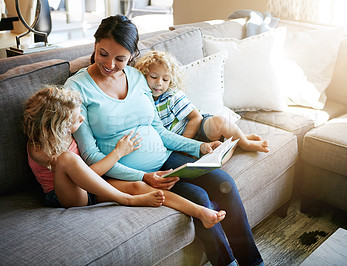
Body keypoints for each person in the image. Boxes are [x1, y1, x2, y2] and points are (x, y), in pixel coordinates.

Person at [64, 14, 264, 266]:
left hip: (165, 158)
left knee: (224, 182)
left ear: (132, 56)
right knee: (200, 198)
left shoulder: (137, 78)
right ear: (94, 44)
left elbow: (158, 129)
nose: (110, 64)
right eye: (103, 54)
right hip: (129, 173)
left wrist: (200, 146)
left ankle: (253, 262)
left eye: (120, 59)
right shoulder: (76, 88)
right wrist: (144, 177)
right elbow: (91, 156)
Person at [23, 85, 226, 229]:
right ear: (60, 126)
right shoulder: (40, 149)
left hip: (91, 186)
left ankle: (201, 212)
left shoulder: (66, 132)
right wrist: (118, 152)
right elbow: (84, 176)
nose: (83, 120)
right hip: (66, 196)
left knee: (140, 187)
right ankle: (126, 200)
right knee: (67, 159)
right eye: (78, 119)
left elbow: (89, 177)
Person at [135, 51, 269, 153]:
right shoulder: (143, 101)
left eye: (165, 80)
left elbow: (196, 117)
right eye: (153, 77)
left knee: (219, 122)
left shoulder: (172, 96)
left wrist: (188, 143)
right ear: (144, 74)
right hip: (181, 141)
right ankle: (239, 136)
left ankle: (245, 143)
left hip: (198, 127)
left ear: (170, 81)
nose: (159, 83)